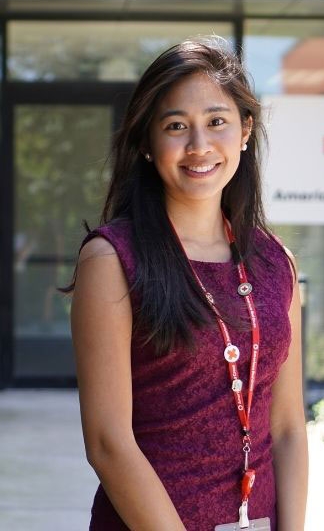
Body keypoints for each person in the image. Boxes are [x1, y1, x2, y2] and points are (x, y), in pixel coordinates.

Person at [69, 38, 306, 529]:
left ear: (245, 130)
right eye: (176, 126)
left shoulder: (275, 261)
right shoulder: (112, 260)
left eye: (217, 122)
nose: (199, 146)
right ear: (146, 144)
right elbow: (109, 443)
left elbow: (286, 428)